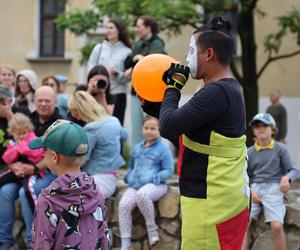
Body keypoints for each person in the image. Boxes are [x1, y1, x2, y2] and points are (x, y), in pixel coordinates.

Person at [153, 16, 249, 249]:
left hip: (213, 203)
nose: (186, 59)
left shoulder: (216, 92)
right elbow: (188, 136)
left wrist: (173, 87)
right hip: (216, 197)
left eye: (190, 50)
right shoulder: (228, 88)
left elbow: (168, 126)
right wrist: (153, 106)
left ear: (208, 54)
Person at [29, 119, 109, 249]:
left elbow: (41, 244)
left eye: (45, 151)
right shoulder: (96, 193)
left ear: (54, 157)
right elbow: (104, 237)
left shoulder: (48, 200)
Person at [0, 86, 63, 249]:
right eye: (39, 100)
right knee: (5, 192)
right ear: (34, 102)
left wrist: (34, 169)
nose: (43, 104)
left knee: (24, 192)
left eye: (47, 100)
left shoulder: (60, 123)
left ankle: (32, 241)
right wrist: (13, 165)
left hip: (49, 172)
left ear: (55, 102)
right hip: (24, 172)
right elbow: (14, 144)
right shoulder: (29, 119)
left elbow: (53, 156)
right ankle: (5, 241)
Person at [245, 113, 299, 249]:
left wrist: (287, 178)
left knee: (276, 226)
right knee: (244, 224)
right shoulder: (249, 152)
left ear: (273, 129)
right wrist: (250, 190)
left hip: (274, 188)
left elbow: (294, 170)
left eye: (265, 125)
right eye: (257, 126)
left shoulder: (281, 149)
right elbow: (245, 176)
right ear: (253, 131)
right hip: (256, 188)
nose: (261, 128)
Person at [118, 115, 173, 250]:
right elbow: (131, 167)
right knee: (123, 204)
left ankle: (151, 228)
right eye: (146, 128)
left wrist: (156, 177)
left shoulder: (163, 149)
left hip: (156, 185)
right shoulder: (137, 148)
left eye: (153, 128)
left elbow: (169, 170)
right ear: (142, 129)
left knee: (143, 194)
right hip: (136, 185)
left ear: (160, 130)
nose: (149, 131)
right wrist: (129, 177)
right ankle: (126, 242)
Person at [69, 91, 128, 198]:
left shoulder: (91, 129)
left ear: (82, 110)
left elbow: (83, 159)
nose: (77, 118)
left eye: (76, 113)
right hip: (113, 175)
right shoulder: (113, 121)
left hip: (97, 177)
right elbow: (125, 136)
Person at [124, 15, 166, 147]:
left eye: (139, 26)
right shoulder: (138, 44)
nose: (136, 29)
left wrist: (140, 59)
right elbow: (127, 62)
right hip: (136, 90)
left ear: (148, 27)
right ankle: (136, 157)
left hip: (151, 94)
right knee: (137, 127)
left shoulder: (158, 43)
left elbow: (153, 65)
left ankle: (154, 157)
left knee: (151, 126)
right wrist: (137, 58)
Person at [87, 19, 132, 125]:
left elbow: (128, 78)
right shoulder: (99, 48)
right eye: (107, 28)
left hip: (118, 94)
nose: (108, 31)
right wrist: (98, 77)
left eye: (111, 28)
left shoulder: (127, 52)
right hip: (98, 92)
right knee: (96, 123)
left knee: (116, 125)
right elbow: (90, 69)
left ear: (119, 31)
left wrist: (117, 74)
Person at [0, 113, 44, 212]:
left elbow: (36, 154)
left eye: (24, 133)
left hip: (31, 172)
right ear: (12, 133)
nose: (22, 136)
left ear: (29, 129)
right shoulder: (12, 143)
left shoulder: (33, 139)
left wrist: (21, 147)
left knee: (28, 189)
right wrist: (15, 150)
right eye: (18, 134)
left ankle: (38, 214)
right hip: (17, 171)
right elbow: (7, 159)